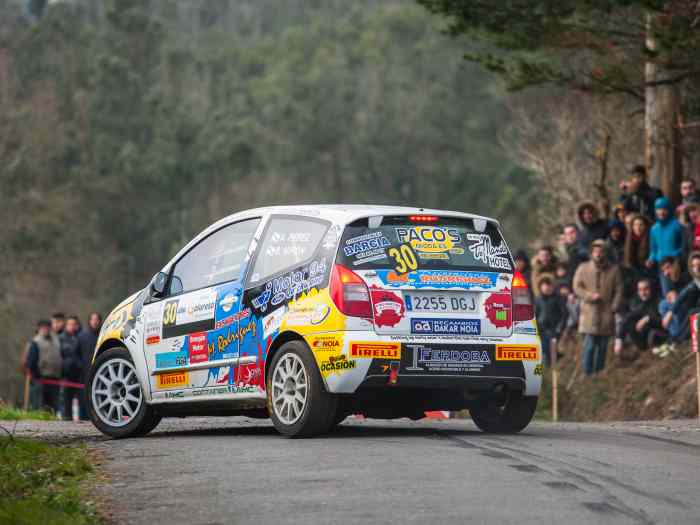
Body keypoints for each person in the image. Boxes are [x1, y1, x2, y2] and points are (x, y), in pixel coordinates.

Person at [573, 240, 624, 376]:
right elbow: (577, 287)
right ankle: (587, 374)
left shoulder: (614, 270)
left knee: (602, 347)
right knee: (589, 346)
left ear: (605, 253)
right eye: (595, 251)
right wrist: (589, 296)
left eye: (601, 252)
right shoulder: (583, 268)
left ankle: (598, 374)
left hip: (607, 313)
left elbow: (619, 289)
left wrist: (614, 306)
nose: (598, 254)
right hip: (589, 312)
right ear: (591, 253)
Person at [614, 279, 665, 354]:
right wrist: (619, 340)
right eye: (640, 290)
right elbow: (627, 318)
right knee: (628, 321)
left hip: (659, 333)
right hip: (642, 340)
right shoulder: (637, 303)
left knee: (653, 332)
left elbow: (663, 322)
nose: (643, 293)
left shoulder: (659, 301)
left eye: (646, 289)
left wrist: (648, 319)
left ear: (651, 289)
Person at [647, 197, 684, 295]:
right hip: (661, 265)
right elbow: (653, 249)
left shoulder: (676, 225)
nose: (661, 212)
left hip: (675, 263)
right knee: (667, 293)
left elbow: (684, 246)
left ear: (669, 210)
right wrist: (651, 259)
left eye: (664, 209)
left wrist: (674, 255)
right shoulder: (654, 229)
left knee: (679, 292)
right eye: (659, 209)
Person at [26, 319, 63, 413]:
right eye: (43, 328)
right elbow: (31, 362)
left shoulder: (56, 340)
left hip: (55, 378)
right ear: (39, 329)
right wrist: (36, 376)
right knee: (39, 405)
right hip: (41, 379)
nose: (45, 329)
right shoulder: (35, 341)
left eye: (47, 327)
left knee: (53, 406)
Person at [535, 277, 567, 367]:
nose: (547, 289)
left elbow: (564, 314)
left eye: (549, 287)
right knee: (544, 349)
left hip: (554, 328)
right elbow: (535, 314)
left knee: (551, 349)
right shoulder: (538, 299)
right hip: (541, 328)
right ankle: (547, 368)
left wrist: (560, 327)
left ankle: (552, 367)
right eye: (545, 287)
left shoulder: (558, 298)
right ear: (541, 287)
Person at [76, 312, 102, 420]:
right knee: (84, 399)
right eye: (93, 319)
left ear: (100, 322)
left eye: (97, 320)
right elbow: (75, 354)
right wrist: (80, 366)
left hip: (100, 373)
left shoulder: (103, 335)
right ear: (89, 321)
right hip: (84, 374)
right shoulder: (82, 336)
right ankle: (83, 418)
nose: (95, 322)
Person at [671, 252, 700, 340]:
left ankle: (677, 340)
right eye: (694, 266)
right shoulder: (696, 281)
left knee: (694, 313)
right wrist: (671, 311)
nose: (697, 268)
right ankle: (675, 338)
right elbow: (682, 295)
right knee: (692, 312)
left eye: (699, 265)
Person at [60, 315, 82, 421]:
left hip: (79, 373)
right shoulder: (61, 338)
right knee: (66, 399)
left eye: (74, 324)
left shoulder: (81, 337)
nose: (72, 326)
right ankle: (66, 418)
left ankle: (83, 419)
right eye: (69, 324)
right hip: (66, 373)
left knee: (81, 399)